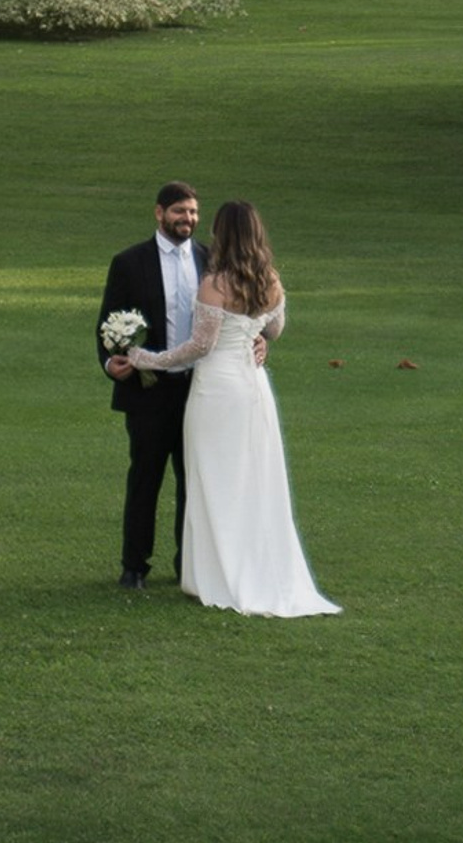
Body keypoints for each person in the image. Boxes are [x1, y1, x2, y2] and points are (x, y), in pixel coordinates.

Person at [115, 197, 339, 618]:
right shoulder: (269, 279)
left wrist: (147, 359)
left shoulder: (215, 282)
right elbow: (274, 328)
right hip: (253, 387)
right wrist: (257, 339)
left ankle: (216, 573)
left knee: (213, 477)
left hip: (217, 389)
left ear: (223, 233)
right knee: (252, 478)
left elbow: (201, 345)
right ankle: (236, 565)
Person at [96, 181, 211, 593]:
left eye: (194, 212)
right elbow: (107, 323)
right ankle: (134, 566)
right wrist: (112, 363)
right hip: (147, 390)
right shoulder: (129, 262)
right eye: (180, 212)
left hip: (198, 389)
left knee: (193, 479)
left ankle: (189, 564)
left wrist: (258, 338)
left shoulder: (209, 260)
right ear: (159, 213)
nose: (189, 220)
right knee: (145, 477)